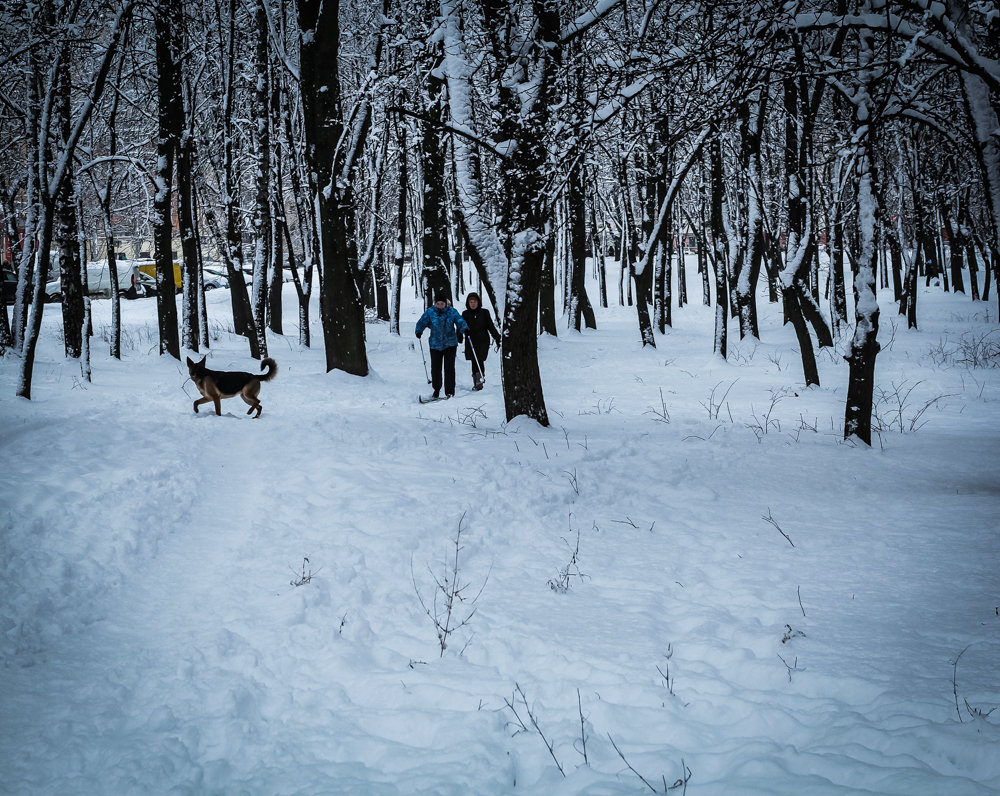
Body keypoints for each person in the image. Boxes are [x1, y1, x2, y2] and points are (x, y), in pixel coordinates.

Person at [415, 293, 469, 399]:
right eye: (438, 304)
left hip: (450, 344)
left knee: (449, 368)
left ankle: (449, 392)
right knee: (436, 368)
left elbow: (460, 320)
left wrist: (465, 329)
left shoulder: (451, 311)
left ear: (445, 303)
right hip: (435, 344)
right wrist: (419, 331)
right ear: (435, 304)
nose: (440, 305)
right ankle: (436, 389)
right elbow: (422, 322)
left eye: (442, 304)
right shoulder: (430, 312)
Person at [461, 292, 501, 391]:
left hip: (483, 340)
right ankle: (477, 381)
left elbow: (490, 326)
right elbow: (461, 325)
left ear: (478, 302)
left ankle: (479, 381)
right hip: (471, 339)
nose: (473, 304)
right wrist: (460, 335)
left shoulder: (484, 312)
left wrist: (497, 338)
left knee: (479, 359)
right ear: (468, 303)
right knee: (474, 360)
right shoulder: (465, 314)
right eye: (471, 302)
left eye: (474, 301)